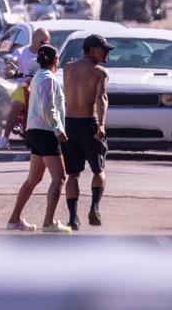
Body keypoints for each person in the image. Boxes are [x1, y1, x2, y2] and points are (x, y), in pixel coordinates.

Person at [6, 44, 71, 233]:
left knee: (33, 178)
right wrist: (58, 129)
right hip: (45, 131)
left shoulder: (36, 78)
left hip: (34, 131)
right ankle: (49, 222)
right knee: (59, 178)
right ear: (55, 60)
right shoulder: (48, 79)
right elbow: (48, 107)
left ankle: (14, 219)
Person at [62, 33, 111, 230]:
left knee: (73, 174)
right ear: (91, 50)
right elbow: (102, 99)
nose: (107, 53)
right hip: (89, 123)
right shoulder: (100, 72)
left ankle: (73, 218)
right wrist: (101, 125)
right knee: (98, 170)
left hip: (69, 124)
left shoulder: (67, 68)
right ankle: (94, 207)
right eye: (103, 49)